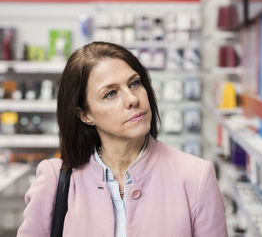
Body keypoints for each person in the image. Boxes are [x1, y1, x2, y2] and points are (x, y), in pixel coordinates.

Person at [17, 41, 228, 237]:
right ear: (85, 115)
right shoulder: (54, 180)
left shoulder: (196, 177)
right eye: (110, 94)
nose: (132, 99)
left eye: (135, 84)